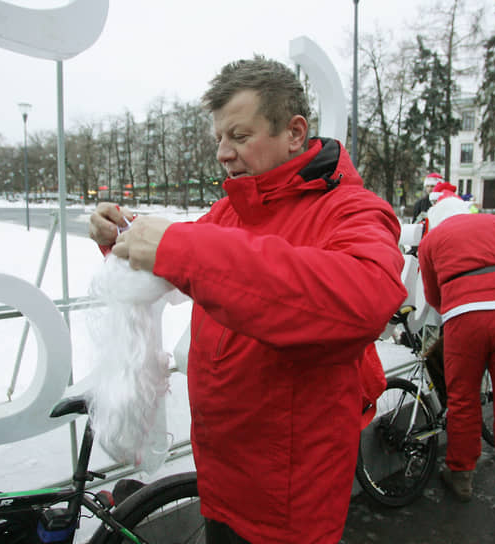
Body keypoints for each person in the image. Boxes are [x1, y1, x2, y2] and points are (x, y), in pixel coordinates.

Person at [88, 56, 407, 543]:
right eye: (218, 138)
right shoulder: (230, 211)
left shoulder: (352, 209)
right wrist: (124, 237)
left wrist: (180, 248)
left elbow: (364, 298)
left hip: (288, 501)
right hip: (222, 478)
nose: (223, 152)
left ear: (294, 132)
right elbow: (191, 262)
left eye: (239, 136)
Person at [417, 193, 495, 531]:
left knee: (463, 400)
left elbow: (433, 296)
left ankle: (461, 476)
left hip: (463, 317)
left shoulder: (432, 241)